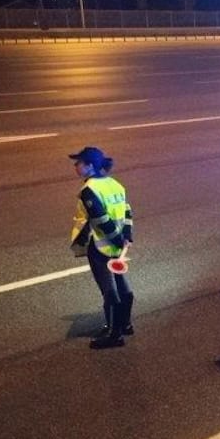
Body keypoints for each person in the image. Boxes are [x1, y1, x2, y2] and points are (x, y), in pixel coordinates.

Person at [69, 146, 135, 349]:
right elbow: (126, 211)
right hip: (117, 245)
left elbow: (100, 219)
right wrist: (126, 237)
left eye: (78, 163)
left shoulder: (89, 191)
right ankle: (126, 324)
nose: (75, 166)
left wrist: (115, 239)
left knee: (109, 291)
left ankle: (114, 335)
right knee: (121, 285)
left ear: (89, 166)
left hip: (100, 245)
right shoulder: (115, 185)